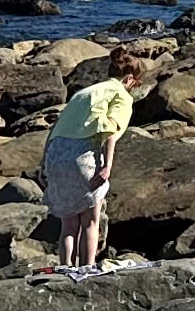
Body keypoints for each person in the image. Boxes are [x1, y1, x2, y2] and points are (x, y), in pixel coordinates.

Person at [44, 48, 144, 276]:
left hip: (56, 155)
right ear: (129, 79)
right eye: (135, 84)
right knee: (90, 222)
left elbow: (54, 131)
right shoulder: (120, 94)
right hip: (83, 156)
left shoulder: (83, 93)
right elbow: (110, 131)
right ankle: (86, 270)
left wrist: (44, 165)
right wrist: (107, 166)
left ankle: (65, 268)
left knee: (68, 225)